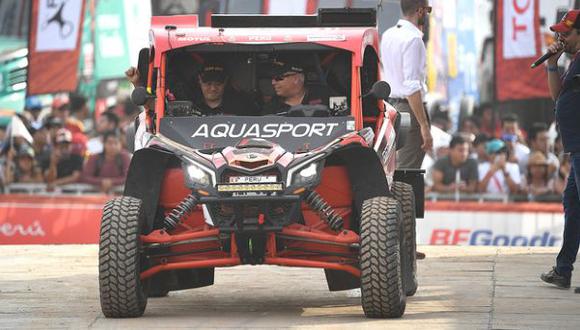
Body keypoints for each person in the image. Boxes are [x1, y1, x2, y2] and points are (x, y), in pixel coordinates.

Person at [540, 9, 580, 293]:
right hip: (575, 145)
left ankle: (564, 268)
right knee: (573, 205)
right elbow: (558, 97)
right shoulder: (574, 61)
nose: (561, 38)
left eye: (566, 33)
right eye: (559, 34)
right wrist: (552, 64)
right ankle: (563, 269)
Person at [381, 0, 433, 168]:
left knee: (394, 167)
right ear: (420, 11)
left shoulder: (388, 34)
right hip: (410, 109)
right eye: (428, 10)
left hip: (391, 107)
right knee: (408, 170)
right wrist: (424, 126)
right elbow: (412, 87)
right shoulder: (414, 40)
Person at [125, 62, 258, 116]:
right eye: (207, 82)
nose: (212, 88)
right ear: (199, 81)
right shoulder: (186, 104)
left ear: (226, 82)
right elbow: (155, 106)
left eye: (218, 83)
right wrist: (137, 83)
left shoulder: (241, 107)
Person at [261, 60, 330, 115]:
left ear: (296, 79)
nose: (273, 82)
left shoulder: (325, 96)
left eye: (278, 78)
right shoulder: (271, 108)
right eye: (271, 78)